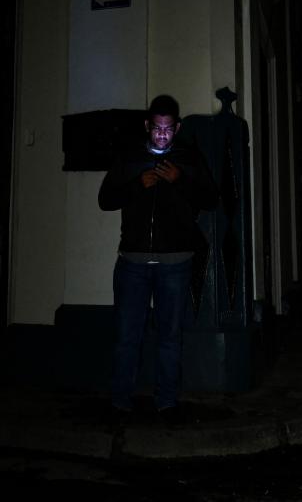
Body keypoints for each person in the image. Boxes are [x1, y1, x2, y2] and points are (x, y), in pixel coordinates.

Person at [98, 94, 218, 421]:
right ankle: (120, 401)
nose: (162, 134)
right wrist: (138, 184)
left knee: (169, 336)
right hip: (133, 262)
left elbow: (210, 199)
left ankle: (166, 402)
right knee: (127, 336)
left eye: (168, 128)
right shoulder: (131, 157)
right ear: (147, 126)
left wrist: (180, 181)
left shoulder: (188, 158)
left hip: (175, 263)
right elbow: (105, 199)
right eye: (157, 128)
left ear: (176, 128)